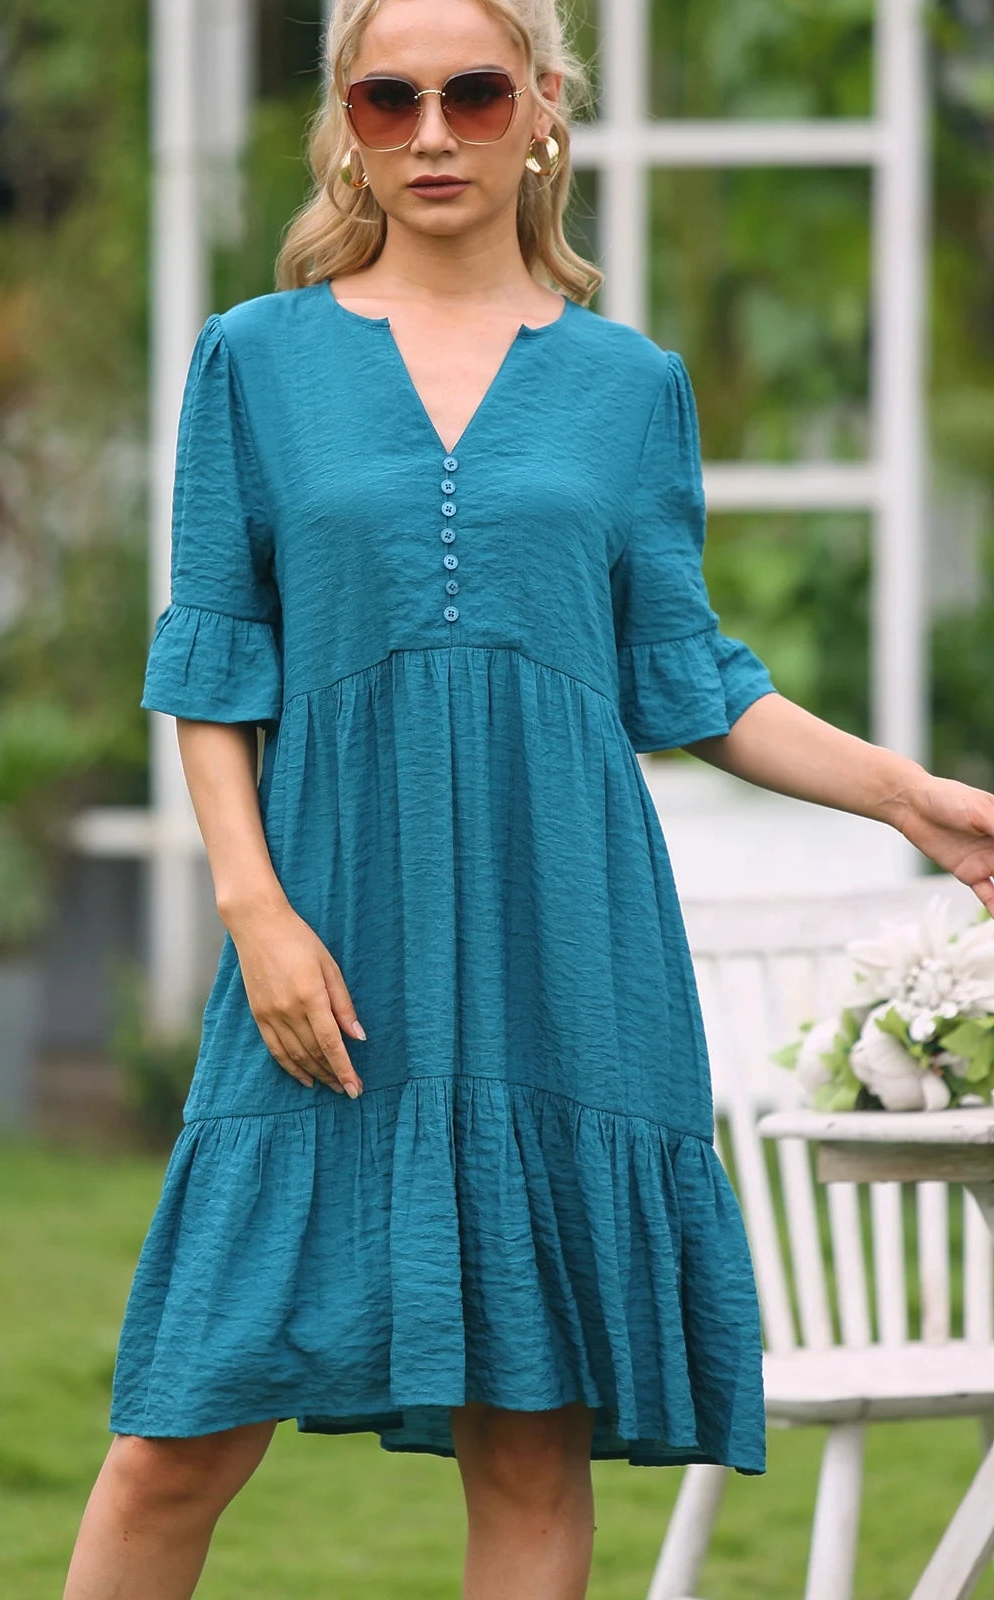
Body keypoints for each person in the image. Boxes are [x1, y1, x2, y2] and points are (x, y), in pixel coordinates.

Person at [62, 2, 994, 1596]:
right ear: (347, 124)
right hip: (330, 939)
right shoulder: (255, 361)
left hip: (566, 951)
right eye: (390, 98)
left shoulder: (630, 387)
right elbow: (213, 661)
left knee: (528, 1438)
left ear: (545, 107)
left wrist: (910, 799)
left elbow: (689, 679)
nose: (433, 133)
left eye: (476, 94)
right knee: (177, 1436)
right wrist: (253, 907)